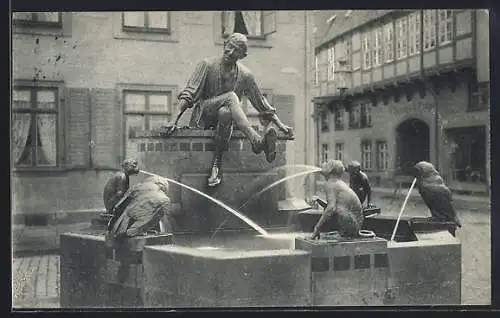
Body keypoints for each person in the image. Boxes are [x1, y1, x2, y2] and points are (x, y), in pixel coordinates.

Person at [165, 33, 294, 187]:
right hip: (204, 115)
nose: (230, 52)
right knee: (232, 97)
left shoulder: (245, 75)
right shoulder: (207, 65)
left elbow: (261, 103)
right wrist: (174, 120)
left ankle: (216, 164)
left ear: (242, 55)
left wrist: (281, 125)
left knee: (226, 112)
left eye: (236, 50)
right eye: (230, 47)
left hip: (225, 121)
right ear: (225, 44)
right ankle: (256, 141)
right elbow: (188, 94)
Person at [311, 160, 364, 240]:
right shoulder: (337, 182)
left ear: (330, 170)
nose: (323, 167)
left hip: (352, 224)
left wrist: (317, 227)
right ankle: (345, 232)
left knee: (334, 209)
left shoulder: (331, 184)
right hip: (355, 223)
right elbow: (331, 206)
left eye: (326, 165)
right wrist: (319, 200)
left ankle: (345, 233)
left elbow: (331, 208)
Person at [108, 176, 173, 239]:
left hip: (118, 224)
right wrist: (132, 232)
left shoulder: (137, 186)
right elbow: (152, 220)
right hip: (131, 229)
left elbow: (119, 205)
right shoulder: (165, 199)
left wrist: (112, 225)